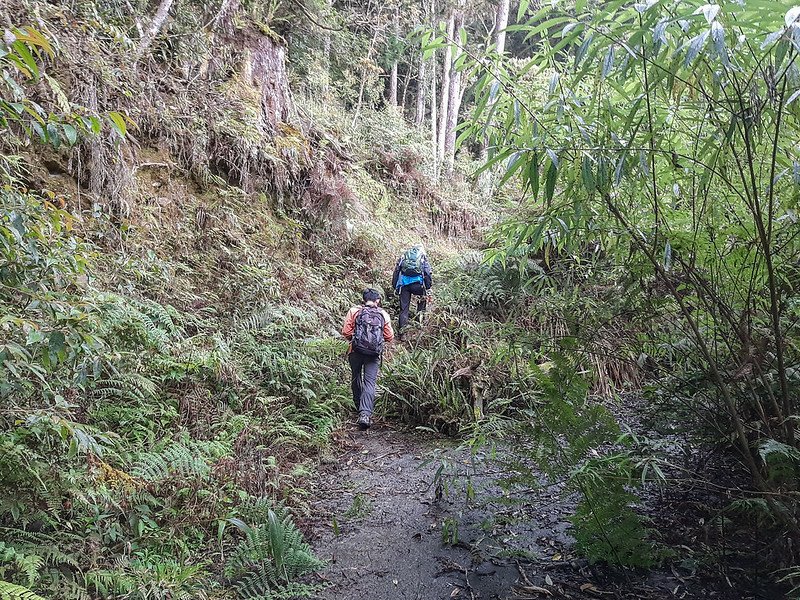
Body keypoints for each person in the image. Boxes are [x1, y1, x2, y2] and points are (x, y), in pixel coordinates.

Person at [341, 288, 395, 430]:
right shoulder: (383, 314)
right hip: (373, 354)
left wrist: (356, 339)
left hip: (355, 351)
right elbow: (389, 337)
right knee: (370, 383)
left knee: (356, 377)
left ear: (364, 299)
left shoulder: (354, 311)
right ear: (377, 300)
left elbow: (346, 332)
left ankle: (359, 406)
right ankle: (365, 414)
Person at [392, 243, 433, 332]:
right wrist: (428, 287)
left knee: (404, 309)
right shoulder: (422, 257)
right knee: (421, 305)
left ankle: (403, 332)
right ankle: (419, 326)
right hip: (419, 285)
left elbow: (396, 270)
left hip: (404, 285)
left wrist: (394, 285)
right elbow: (427, 272)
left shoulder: (404, 256)